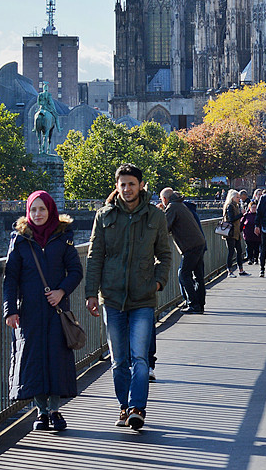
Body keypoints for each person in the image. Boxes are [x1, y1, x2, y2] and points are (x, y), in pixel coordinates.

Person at [85, 164, 171, 431]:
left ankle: (137, 408)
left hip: (143, 297)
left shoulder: (155, 216)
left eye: (132, 184)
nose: (127, 189)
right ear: (117, 186)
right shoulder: (104, 215)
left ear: (141, 185)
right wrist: (90, 293)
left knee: (140, 357)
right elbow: (94, 256)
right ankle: (124, 406)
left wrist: (158, 281)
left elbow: (165, 254)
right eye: (122, 184)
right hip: (111, 297)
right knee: (119, 360)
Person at [3, 190, 83, 432]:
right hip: (29, 311)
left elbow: (76, 271)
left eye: (42, 209)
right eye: (33, 210)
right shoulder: (20, 239)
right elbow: (10, 278)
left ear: (50, 211)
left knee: (56, 359)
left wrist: (61, 291)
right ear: (28, 213)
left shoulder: (63, 237)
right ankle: (41, 411)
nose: (38, 214)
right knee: (34, 359)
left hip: (56, 310)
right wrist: (10, 310)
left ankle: (56, 410)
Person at [160, 187, 206, 314]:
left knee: (183, 273)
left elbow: (164, 228)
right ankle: (199, 304)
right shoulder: (180, 204)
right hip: (198, 242)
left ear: (164, 199)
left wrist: (159, 214)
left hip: (190, 245)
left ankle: (193, 303)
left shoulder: (172, 207)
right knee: (198, 275)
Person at [223, 189, 249, 277]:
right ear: (232, 198)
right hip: (231, 232)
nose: (239, 198)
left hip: (236, 232)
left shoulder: (236, 206)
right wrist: (241, 214)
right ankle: (229, 271)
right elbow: (231, 219)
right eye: (237, 197)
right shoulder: (230, 206)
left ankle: (241, 269)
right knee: (231, 252)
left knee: (239, 250)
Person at [240, 200, 261, 264]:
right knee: (249, 247)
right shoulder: (246, 215)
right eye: (253, 207)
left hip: (257, 234)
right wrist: (240, 231)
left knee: (256, 247)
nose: (254, 209)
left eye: (255, 207)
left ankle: (256, 258)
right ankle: (250, 258)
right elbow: (242, 223)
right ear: (249, 208)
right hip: (248, 234)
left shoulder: (258, 215)